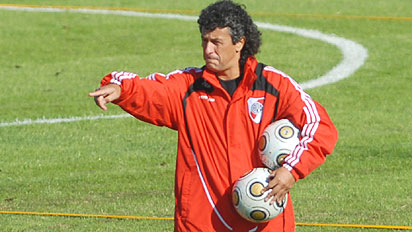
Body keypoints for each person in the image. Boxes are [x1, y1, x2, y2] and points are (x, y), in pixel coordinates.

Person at [88, 0, 338, 231]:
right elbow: (148, 89)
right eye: (204, 41)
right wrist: (119, 89)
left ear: (239, 43)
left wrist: (291, 171)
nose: (208, 50)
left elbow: (320, 126)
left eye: (216, 42)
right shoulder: (188, 88)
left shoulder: (273, 85)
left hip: (265, 225)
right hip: (201, 222)